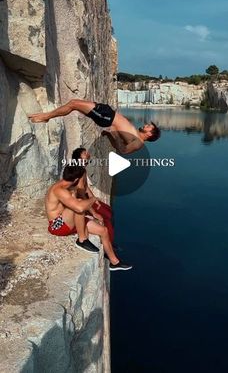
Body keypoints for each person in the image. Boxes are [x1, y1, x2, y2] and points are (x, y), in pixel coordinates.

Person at [46, 164, 132, 271]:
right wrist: (93, 199)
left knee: (104, 231)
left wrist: (93, 213)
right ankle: (82, 240)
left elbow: (78, 204)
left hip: (69, 221)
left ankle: (114, 262)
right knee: (79, 206)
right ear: (77, 179)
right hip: (57, 225)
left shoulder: (68, 186)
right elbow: (79, 208)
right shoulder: (59, 190)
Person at [28, 100, 161, 154]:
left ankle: (45, 117)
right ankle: (45, 116)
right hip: (108, 113)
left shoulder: (138, 143)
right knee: (75, 104)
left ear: (150, 134)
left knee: (74, 104)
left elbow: (122, 151)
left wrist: (112, 134)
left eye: (149, 127)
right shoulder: (136, 137)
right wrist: (111, 134)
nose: (147, 125)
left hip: (106, 118)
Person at [71, 147, 114, 243]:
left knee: (108, 210)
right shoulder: (79, 171)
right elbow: (81, 193)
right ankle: (108, 242)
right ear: (79, 159)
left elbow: (85, 188)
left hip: (84, 199)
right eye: (84, 153)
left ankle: (109, 240)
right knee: (106, 215)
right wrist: (93, 211)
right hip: (80, 202)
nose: (87, 154)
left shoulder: (82, 170)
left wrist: (94, 198)